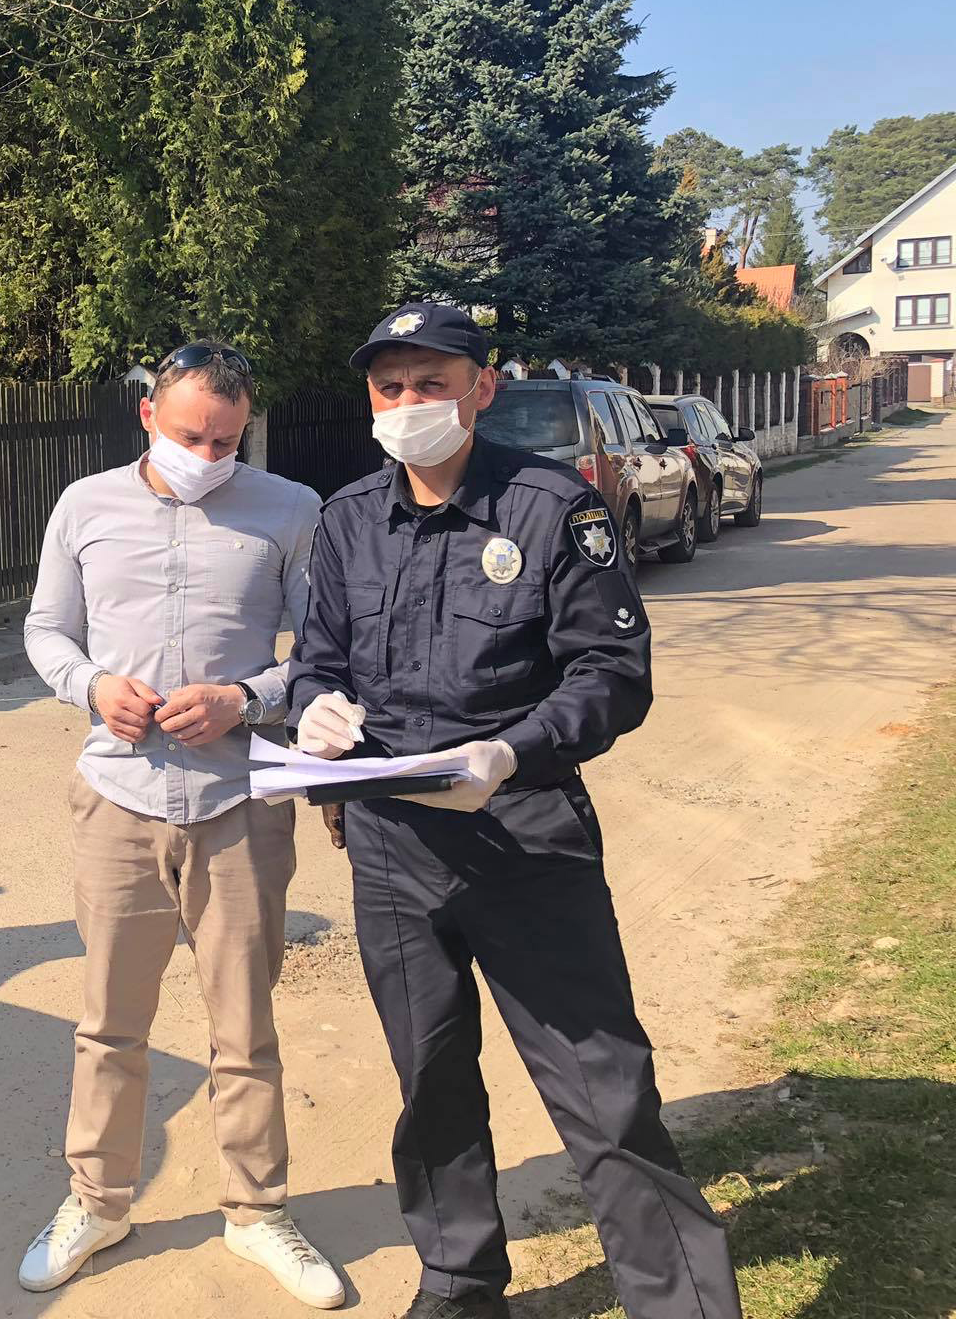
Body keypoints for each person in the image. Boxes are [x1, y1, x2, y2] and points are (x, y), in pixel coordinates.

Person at [285, 302, 740, 1319]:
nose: (408, 403)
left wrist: (512, 750)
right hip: (390, 843)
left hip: (523, 836)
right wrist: (314, 706)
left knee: (602, 1090)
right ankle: (457, 1282)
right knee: (430, 1082)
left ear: (481, 388)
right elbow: (319, 658)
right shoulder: (349, 517)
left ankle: (680, 1303)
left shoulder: (549, 507)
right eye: (389, 387)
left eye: (431, 383)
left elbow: (610, 672)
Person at [19, 342, 345, 1308]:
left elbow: (325, 649)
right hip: (117, 800)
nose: (208, 455)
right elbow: (45, 630)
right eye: (192, 435)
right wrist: (92, 687)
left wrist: (248, 698)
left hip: (240, 802)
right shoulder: (84, 506)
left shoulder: (291, 510)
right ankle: (98, 1202)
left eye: (227, 442)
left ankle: (257, 1210)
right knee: (108, 1024)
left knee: (245, 1024)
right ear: (148, 415)